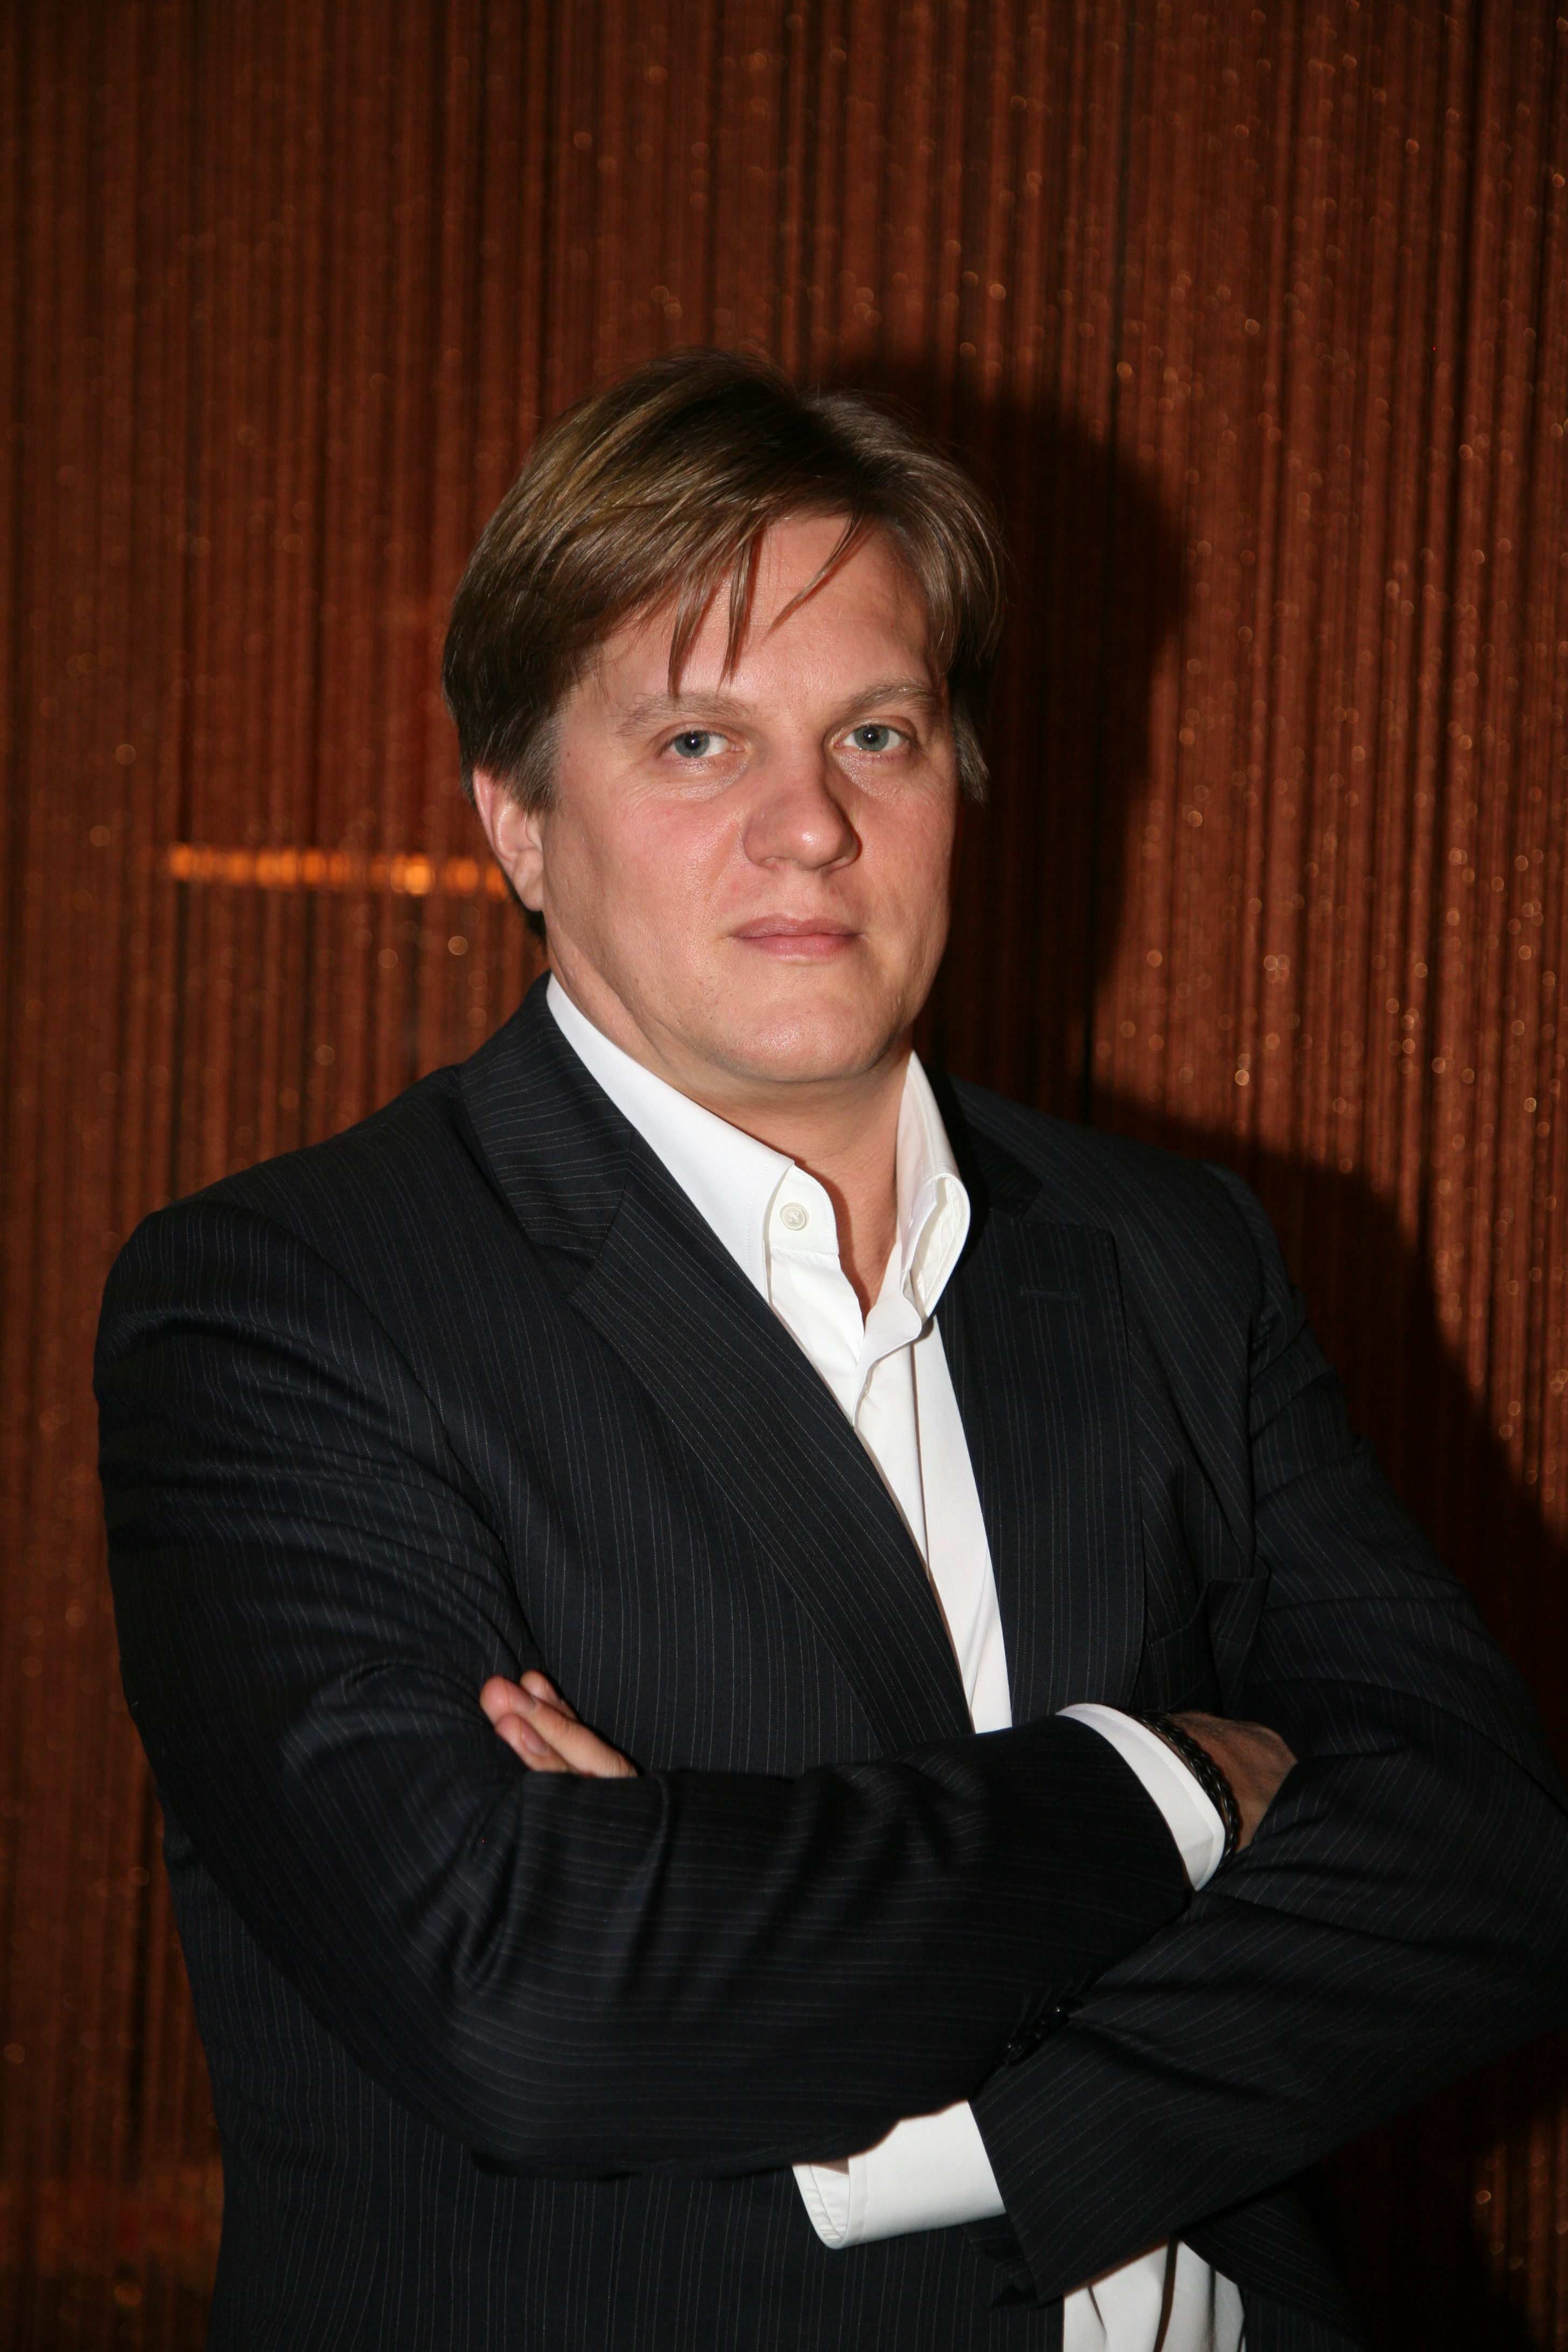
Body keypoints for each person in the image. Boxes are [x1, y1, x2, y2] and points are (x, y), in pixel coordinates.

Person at [97, 349, 1568, 2352]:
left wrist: (930, 2091)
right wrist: (1186, 1784)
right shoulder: (288, 1303)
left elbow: (1491, 1856)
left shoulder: (1175, 1252)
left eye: (876, 731)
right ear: (516, 817)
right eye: (699, 741)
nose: (810, 828)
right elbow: (535, 2001)